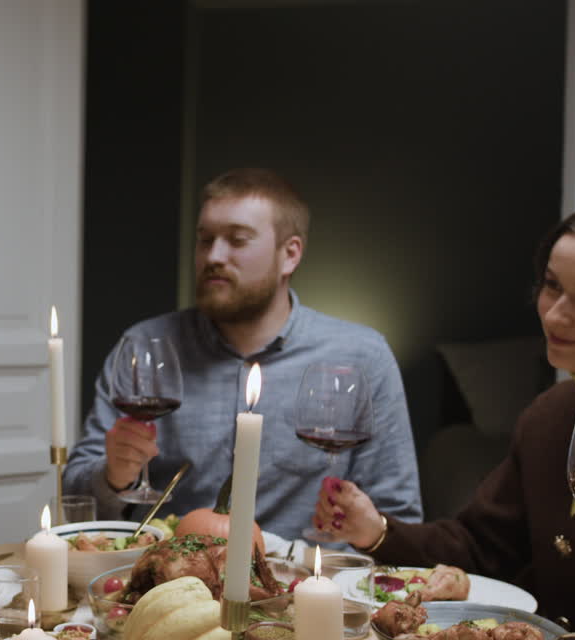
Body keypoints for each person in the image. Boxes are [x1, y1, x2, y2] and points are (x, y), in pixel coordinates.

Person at [316, 196, 575, 640]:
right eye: (552, 286)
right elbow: (482, 547)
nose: (556, 313)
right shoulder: (552, 415)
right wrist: (375, 530)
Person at [64, 167, 421, 545]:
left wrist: (363, 528)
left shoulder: (362, 356)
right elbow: (76, 498)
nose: (213, 256)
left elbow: (398, 516)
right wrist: (113, 477)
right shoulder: (145, 345)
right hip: (175, 568)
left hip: (303, 574)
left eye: (237, 240)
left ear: (290, 255)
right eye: (205, 240)